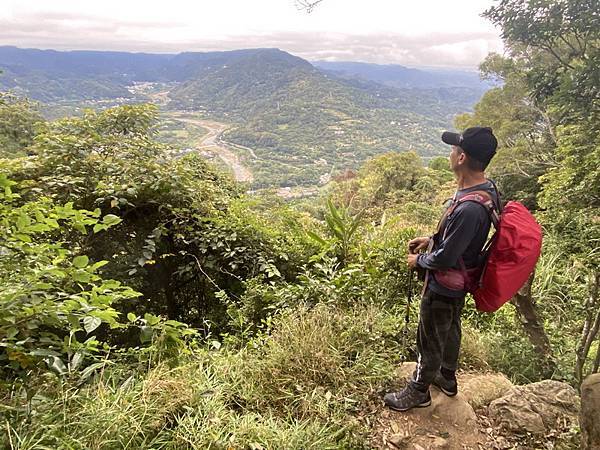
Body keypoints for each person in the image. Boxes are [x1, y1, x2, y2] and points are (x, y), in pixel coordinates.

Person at [384, 126, 500, 412]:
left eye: (453, 149)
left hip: (445, 282)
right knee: (449, 329)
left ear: (461, 158)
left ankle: (418, 390)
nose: (450, 153)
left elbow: (446, 258)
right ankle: (446, 377)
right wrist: (431, 240)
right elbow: (460, 241)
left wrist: (418, 261)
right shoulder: (484, 190)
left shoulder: (469, 208)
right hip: (460, 280)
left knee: (430, 335)